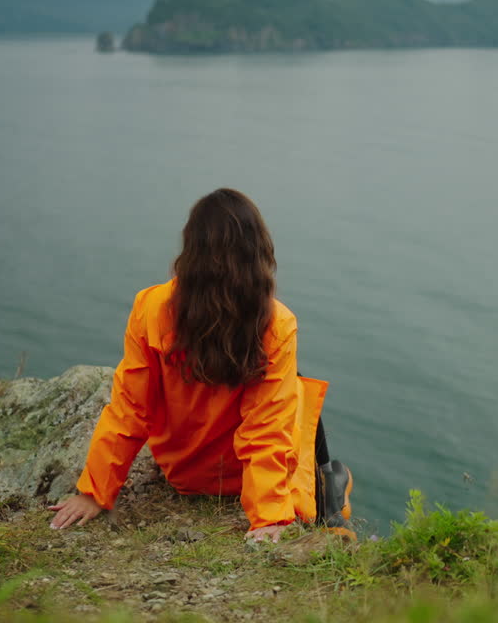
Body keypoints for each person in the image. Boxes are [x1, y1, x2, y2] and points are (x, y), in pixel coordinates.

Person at [48, 189, 352, 542]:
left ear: (191, 249)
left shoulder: (151, 307)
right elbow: (267, 428)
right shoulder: (275, 322)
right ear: (258, 252)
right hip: (239, 478)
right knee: (297, 393)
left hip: (181, 470)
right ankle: (332, 504)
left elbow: (130, 408)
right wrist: (269, 518)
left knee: (293, 388)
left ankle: (329, 485)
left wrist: (94, 492)